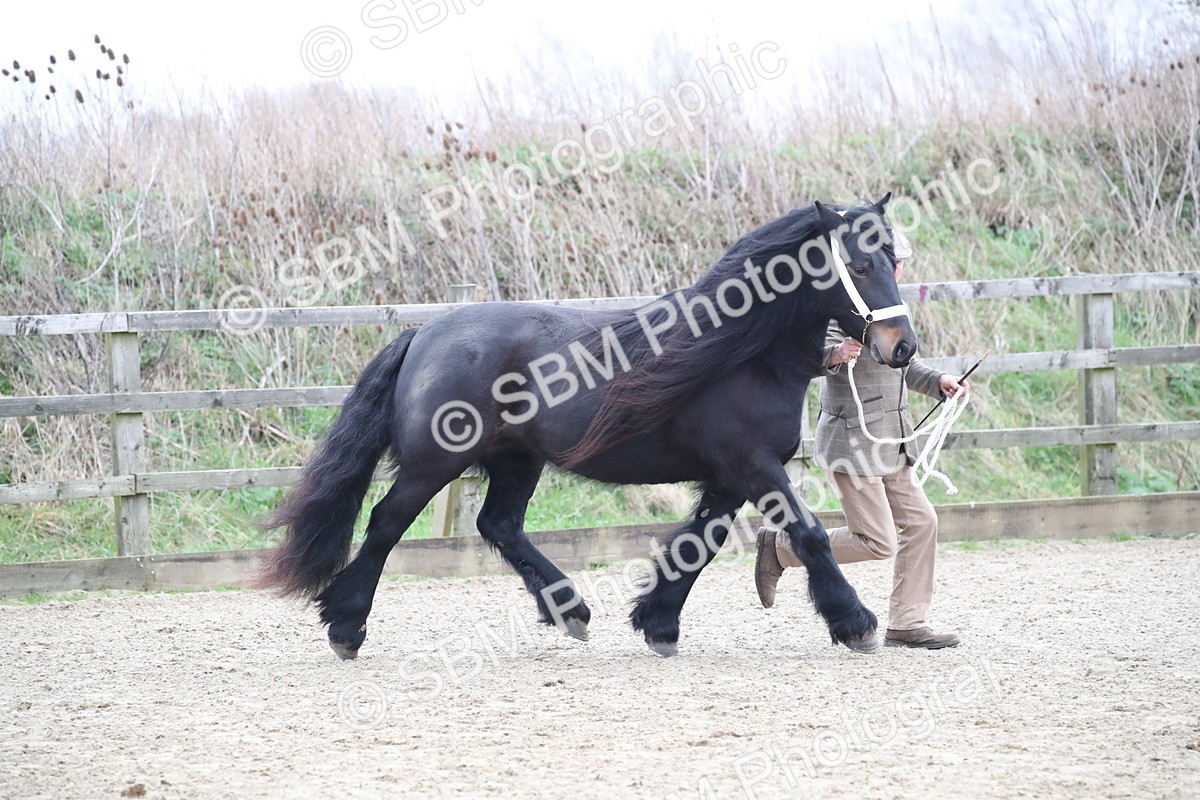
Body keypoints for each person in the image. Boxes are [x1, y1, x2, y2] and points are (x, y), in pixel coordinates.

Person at [754, 228, 968, 650]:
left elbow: (905, 363)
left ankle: (907, 623)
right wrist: (831, 357)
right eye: (893, 262)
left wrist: (939, 380)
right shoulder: (836, 304)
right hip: (853, 442)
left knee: (923, 523)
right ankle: (781, 547)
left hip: (894, 440)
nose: (898, 269)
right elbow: (799, 355)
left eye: (898, 262)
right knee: (878, 540)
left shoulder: (889, 303)